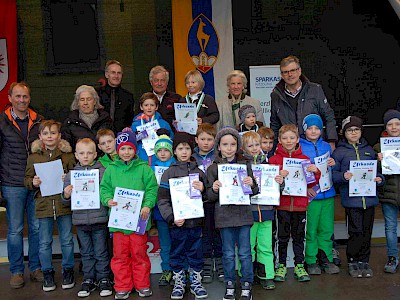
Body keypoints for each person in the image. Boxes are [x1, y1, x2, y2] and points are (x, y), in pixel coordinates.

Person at [100, 131, 157, 299]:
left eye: (129, 148)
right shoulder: (111, 169)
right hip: (119, 223)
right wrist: (108, 200)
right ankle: (123, 285)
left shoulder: (144, 169)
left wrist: (147, 205)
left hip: (139, 221)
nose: (126, 152)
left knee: (139, 254)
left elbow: (152, 189)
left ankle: (142, 284)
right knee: (120, 256)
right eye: (123, 148)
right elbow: (104, 188)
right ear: (118, 150)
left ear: (135, 150)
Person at [0, 82, 44, 288]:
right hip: (12, 183)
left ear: (29, 98)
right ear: (10, 98)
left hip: (36, 183)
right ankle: (17, 271)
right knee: (15, 230)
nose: (21, 100)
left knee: (36, 228)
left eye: (25, 97)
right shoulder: (2, 121)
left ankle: (35, 268)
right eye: (17, 96)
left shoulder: (38, 121)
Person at [206, 127, 258, 300]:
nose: (229, 148)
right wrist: (214, 189)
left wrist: (251, 184)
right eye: (225, 144)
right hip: (224, 217)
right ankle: (229, 283)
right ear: (218, 146)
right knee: (227, 253)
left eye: (233, 144)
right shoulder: (213, 168)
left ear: (238, 146)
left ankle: (246, 284)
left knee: (245, 253)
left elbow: (255, 190)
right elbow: (209, 196)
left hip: (243, 215)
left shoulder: (245, 165)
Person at [24, 120, 76, 292]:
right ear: (40, 137)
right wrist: (33, 182)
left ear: (59, 136)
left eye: (53, 133)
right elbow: (26, 180)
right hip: (43, 205)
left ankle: (68, 270)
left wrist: (68, 178)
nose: (49, 136)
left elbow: (76, 175)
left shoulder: (68, 155)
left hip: (63, 204)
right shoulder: (34, 157)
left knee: (67, 239)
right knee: (44, 242)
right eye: (45, 133)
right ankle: (47, 272)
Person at [157, 132, 208, 299]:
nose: (184, 152)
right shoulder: (168, 173)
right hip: (177, 223)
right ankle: (178, 281)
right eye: (180, 148)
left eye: (187, 148)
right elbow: (162, 200)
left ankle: (195, 281)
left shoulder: (199, 172)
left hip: (196, 223)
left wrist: (203, 189)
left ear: (191, 150)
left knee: (196, 252)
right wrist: (171, 217)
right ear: (175, 151)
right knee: (177, 252)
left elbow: (208, 197)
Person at [332, 116, 384, 278]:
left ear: (361, 131)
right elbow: (333, 176)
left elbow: (379, 173)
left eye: (356, 130)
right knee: (355, 231)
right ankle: (353, 260)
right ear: (344, 133)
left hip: (369, 200)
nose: (353, 133)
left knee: (367, 231)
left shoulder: (369, 150)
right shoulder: (339, 152)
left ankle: (364, 261)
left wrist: (379, 179)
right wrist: (343, 176)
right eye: (349, 130)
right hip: (352, 200)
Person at [269, 124, 321, 283]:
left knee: (299, 237)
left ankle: (299, 265)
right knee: (281, 237)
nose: (289, 141)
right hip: (282, 205)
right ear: (279, 140)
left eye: (292, 138)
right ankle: (281, 265)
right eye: (285, 138)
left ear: (298, 139)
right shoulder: (274, 160)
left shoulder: (305, 160)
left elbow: (312, 184)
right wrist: (277, 175)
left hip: (300, 205)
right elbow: (268, 183)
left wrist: (315, 171)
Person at [63, 138, 113, 298]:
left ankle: (104, 278)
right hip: (80, 221)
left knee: (101, 252)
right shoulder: (72, 175)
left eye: (89, 153)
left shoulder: (103, 171)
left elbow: (107, 193)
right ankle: (89, 279)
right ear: (76, 155)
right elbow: (64, 200)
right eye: (82, 153)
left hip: (99, 219)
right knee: (86, 253)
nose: (85, 156)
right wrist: (66, 194)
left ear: (95, 154)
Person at [241, 131, 283, 290]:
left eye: (257, 145)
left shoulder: (268, 165)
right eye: (250, 145)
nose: (254, 148)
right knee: (248, 246)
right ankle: (247, 276)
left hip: (266, 212)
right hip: (248, 214)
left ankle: (267, 275)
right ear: (243, 148)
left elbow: (278, 189)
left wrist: (280, 182)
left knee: (265, 245)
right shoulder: (242, 167)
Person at [299, 114, 340, 275]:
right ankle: (311, 260)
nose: (314, 131)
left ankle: (326, 258)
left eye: (317, 128)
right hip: (311, 195)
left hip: (328, 193)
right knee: (311, 228)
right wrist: (305, 188)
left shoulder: (327, 147)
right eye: (310, 128)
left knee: (326, 228)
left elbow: (333, 169)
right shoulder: (300, 147)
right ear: (305, 130)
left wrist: (333, 164)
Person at [270, 55, 337, 151]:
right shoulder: (276, 95)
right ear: (281, 75)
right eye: (285, 72)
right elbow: (275, 124)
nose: (290, 74)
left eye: (293, 70)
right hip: (290, 148)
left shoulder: (315, 90)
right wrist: (274, 148)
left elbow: (328, 116)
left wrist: (331, 140)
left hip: (314, 146)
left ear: (299, 71)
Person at [192, 124, 222, 283]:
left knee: (218, 234)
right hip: (198, 203)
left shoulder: (218, 157)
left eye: (210, 139)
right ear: (196, 140)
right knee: (204, 235)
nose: (205, 143)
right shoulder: (191, 158)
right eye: (202, 139)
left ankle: (220, 263)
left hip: (216, 202)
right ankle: (206, 266)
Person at [374, 109, 400, 273]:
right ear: (385, 127)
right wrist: (378, 162)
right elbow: (374, 174)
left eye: (397, 124)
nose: (394, 127)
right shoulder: (379, 147)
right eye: (390, 124)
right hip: (388, 195)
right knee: (390, 228)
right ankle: (392, 258)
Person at [149, 135, 176, 286]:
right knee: (165, 243)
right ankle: (166, 269)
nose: (163, 153)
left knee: (178, 241)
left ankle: (180, 269)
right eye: (160, 150)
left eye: (166, 150)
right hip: (160, 212)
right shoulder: (151, 169)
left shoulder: (177, 166)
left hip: (178, 210)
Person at [62, 85, 113, 154]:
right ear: (78, 103)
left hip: (104, 162)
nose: (85, 103)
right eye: (82, 99)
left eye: (89, 99)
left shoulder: (106, 120)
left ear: (95, 101)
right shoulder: (70, 122)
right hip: (80, 163)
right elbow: (67, 149)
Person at [131, 92, 174, 163]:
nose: (149, 108)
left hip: (159, 158)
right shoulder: (136, 124)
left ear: (156, 107)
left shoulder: (163, 124)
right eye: (146, 105)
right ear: (141, 107)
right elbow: (132, 143)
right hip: (141, 157)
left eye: (152, 105)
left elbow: (171, 140)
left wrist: (165, 135)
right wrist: (136, 136)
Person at [97, 60, 137, 133]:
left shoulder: (128, 97)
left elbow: (130, 121)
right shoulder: (97, 94)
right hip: (100, 136)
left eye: (119, 73)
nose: (116, 76)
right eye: (113, 73)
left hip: (121, 138)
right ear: (106, 74)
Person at [149, 65, 181, 130]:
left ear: (167, 82)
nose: (159, 83)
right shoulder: (146, 99)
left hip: (171, 136)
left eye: (162, 80)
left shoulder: (177, 99)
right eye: (156, 80)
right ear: (151, 82)